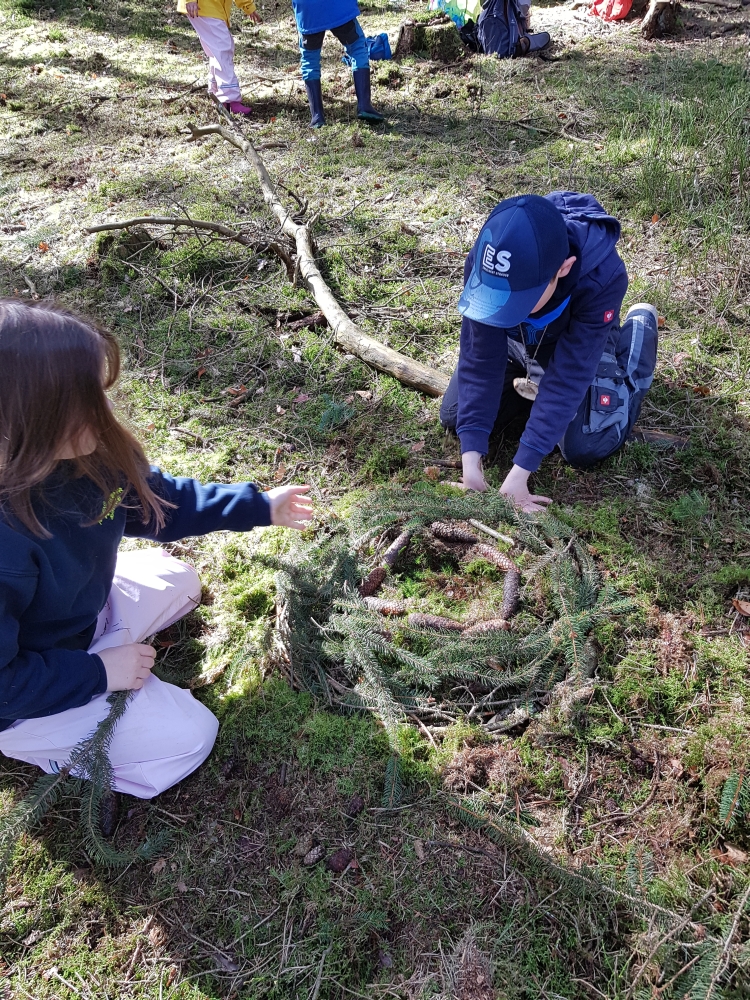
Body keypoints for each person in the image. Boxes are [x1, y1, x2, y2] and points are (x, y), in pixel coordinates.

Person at [0, 301, 313, 802]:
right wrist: (102, 672)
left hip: (80, 619)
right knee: (190, 737)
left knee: (181, 583)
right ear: (28, 415)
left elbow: (163, 502)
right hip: (22, 693)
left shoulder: (86, 461)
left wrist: (259, 507)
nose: (105, 415)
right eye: (85, 401)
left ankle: (103, 641)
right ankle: (51, 748)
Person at [440, 192, 658, 512]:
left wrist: (521, 471)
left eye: (519, 299)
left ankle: (640, 327)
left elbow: (569, 377)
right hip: (515, 344)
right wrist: (471, 457)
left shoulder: (602, 277)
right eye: (496, 295)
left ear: (564, 269)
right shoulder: (488, 260)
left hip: (575, 340)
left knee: (586, 444)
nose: (506, 306)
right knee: (458, 417)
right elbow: (479, 356)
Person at [291, 0, 384, 128]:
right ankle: (364, 105)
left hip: (308, 9)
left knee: (310, 60)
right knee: (357, 47)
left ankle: (317, 117)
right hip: (338, 5)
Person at [177, 0, 261, 115]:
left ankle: (216, 92)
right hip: (203, 6)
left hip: (213, 9)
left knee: (217, 49)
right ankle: (229, 99)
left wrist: (248, 6)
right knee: (222, 48)